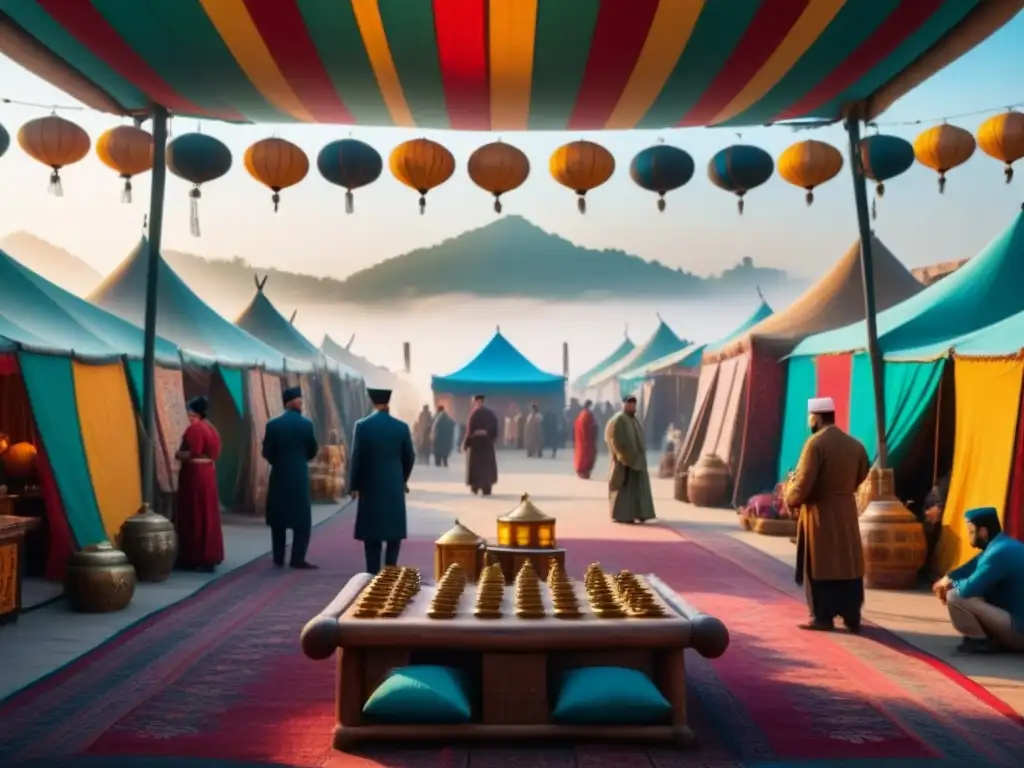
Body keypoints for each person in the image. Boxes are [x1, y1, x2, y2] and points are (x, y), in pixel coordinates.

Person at [784, 397, 869, 633]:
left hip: (820, 514)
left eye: (810, 417)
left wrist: (790, 494)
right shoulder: (855, 444)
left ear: (816, 417)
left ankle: (822, 617)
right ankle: (852, 616)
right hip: (846, 510)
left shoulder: (815, 444)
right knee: (847, 563)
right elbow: (863, 474)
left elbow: (802, 484)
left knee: (821, 564)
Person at [932, 506, 1024, 654]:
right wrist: (948, 578)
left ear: (983, 532)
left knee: (956, 595)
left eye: (971, 532)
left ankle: (979, 641)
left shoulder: (997, 554)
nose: (970, 536)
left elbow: (969, 589)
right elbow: (970, 566)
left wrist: (950, 585)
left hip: (1019, 631)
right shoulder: (1004, 545)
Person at [349, 388, 416, 574]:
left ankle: (371, 574)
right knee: (393, 534)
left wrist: (354, 485)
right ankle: (390, 573)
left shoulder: (362, 426)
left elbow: (357, 459)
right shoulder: (401, 427)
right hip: (394, 485)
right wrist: (402, 478)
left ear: (372, 402)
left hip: (370, 486)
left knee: (372, 536)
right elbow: (409, 456)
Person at [263, 386, 319, 570]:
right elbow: (312, 451)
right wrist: (300, 459)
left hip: (279, 474)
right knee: (302, 520)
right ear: (291, 402)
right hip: (299, 475)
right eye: (299, 401)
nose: (301, 404)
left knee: (278, 519)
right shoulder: (306, 424)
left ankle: (278, 558)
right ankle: (297, 558)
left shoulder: (272, 425)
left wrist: (278, 460)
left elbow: (267, 453)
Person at [175, 396, 224, 571]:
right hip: (208, 473)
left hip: (194, 474)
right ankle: (209, 554)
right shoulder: (212, 429)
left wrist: (178, 455)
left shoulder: (195, 429)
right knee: (208, 513)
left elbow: (193, 452)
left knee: (193, 513)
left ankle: (194, 556)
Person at [605, 395, 656, 524]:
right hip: (625, 462)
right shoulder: (618, 420)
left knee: (638, 490)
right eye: (629, 403)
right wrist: (624, 458)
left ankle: (640, 513)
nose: (632, 405)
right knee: (623, 489)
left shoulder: (633, 420)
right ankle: (622, 515)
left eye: (634, 403)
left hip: (637, 461)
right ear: (623, 404)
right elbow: (614, 440)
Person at [463, 394, 498, 495]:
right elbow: (494, 430)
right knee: (487, 466)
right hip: (487, 443)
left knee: (476, 466)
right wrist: (490, 436)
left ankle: (475, 486)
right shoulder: (490, 414)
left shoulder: (474, 414)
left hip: (476, 444)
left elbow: (469, 431)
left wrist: (467, 443)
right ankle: (487, 487)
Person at [574, 399, 598, 479]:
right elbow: (588, 427)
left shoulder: (581, 414)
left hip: (582, 440)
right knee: (587, 456)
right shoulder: (587, 415)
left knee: (582, 454)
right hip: (587, 440)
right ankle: (584, 471)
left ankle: (582, 470)